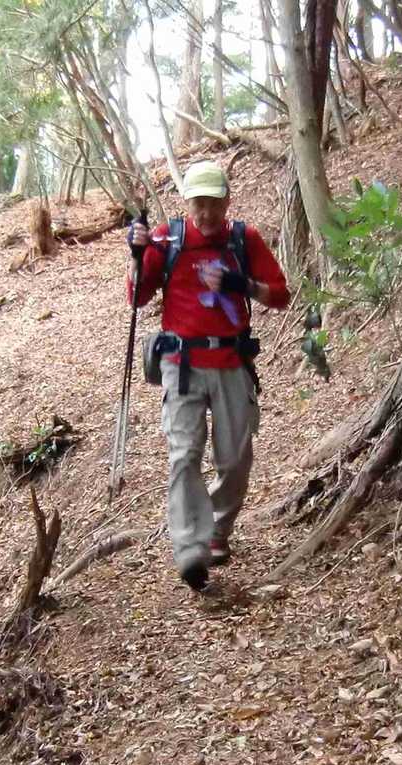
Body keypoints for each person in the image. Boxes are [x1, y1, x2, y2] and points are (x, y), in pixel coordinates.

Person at [127, 160, 290, 591]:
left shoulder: (243, 239)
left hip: (232, 362)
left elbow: (281, 295)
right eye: (198, 203)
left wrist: (241, 284)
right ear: (187, 203)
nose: (206, 213)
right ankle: (190, 549)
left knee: (235, 459)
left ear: (227, 201)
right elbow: (138, 296)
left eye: (214, 203)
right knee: (183, 455)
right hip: (181, 365)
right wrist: (137, 255)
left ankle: (217, 527)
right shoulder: (168, 238)